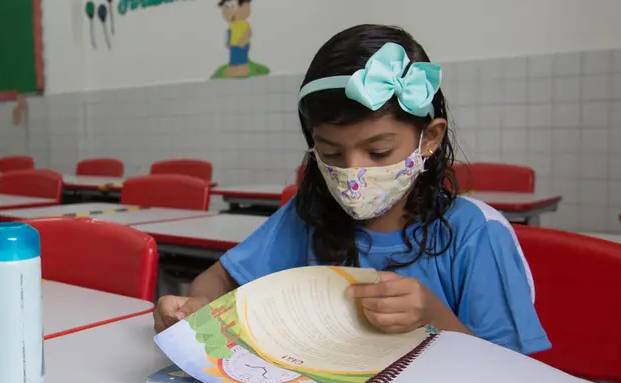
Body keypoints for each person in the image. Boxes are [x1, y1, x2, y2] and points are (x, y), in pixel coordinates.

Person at [154, 24, 549, 355]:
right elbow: (219, 280)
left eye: (379, 152)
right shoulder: (309, 215)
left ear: (428, 138)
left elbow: (509, 374)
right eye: (331, 153)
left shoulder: (474, 234)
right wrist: (196, 306)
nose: (353, 172)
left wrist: (433, 315)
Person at [219, 0, 253, 77]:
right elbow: (229, 33)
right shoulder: (232, 25)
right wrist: (228, 42)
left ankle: (243, 69)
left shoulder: (244, 24)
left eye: (232, 7)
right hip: (233, 45)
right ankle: (233, 68)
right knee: (234, 59)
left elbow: (247, 33)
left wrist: (243, 40)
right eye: (226, 7)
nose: (228, 11)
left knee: (241, 59)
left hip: (242, 45)